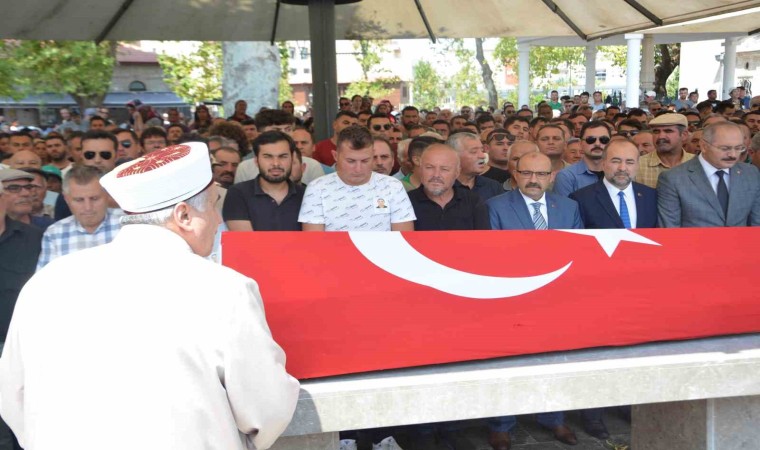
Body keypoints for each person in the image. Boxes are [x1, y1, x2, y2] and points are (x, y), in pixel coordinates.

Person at [0, 141, 300, 450]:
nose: (216, 219)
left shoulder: (48, 281)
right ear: (184, 215)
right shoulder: (224, 288)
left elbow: (12, 394)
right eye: (212, 206)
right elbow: (267, 408)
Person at [299, 125, 415, 231]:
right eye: (351, 161)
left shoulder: (393, 186)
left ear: (372, 155)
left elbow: (403, 237)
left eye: (365, 161)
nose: (358, 169)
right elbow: (314, 241)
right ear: (335, 156)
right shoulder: (317, 189)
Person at [657, 122, 760, 227]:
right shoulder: (673, 178)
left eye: (738, 148)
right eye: (725, 148)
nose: (733, 155)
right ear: (704, 146)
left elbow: (757, 223)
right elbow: (670, 229)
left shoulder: (750, 173)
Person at [36, 165, 121, 270]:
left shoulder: (129, 223)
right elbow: (45, 278)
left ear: (107, 195)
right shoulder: (54, 234)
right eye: (79, 200)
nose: (88, 207)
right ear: (66, 199)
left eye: (94, 198)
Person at [223, 131, 305, 231]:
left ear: (292, 159)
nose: (276, 163)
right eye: (268, 157)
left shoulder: (307, 195)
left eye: (283, 156)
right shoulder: (238, 193)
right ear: (256, 161)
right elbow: (245, 239)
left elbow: (313, 237)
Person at [570, 139, 657, 229]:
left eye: (630, 162)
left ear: (637, 166)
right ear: (603, 163)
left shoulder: (651, 196)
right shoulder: (580, 199)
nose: (622, 168)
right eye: (616, 161)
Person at [408, 144, 490, 230]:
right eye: (429, 167)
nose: (436, 175)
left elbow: (483, 237)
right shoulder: (407, 202)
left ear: (457, 172)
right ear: (420, 170)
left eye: (444, 169)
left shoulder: (473, 202)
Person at [636, 114, 695, 189]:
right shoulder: (637, 165)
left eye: (668, 131)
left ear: (684, 135)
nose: (661, 136)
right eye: (656, 132)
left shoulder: (698, 164)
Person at [554, 121, 611, 196]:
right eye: (590, 139)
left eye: (604, 140)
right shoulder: (566, 176)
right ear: (580, 143)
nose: (597, 144)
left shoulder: (618, 173)